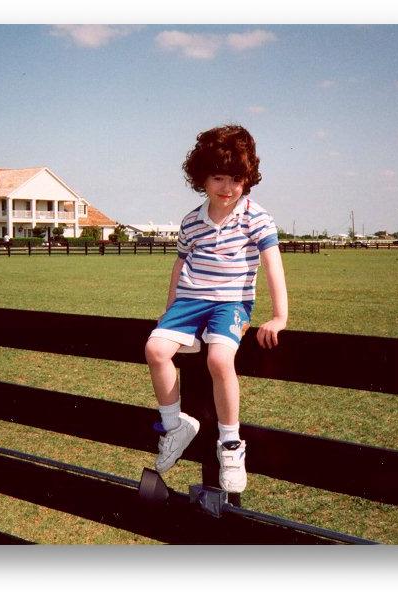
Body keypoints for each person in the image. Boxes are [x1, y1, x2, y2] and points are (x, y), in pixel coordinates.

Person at [144, 124, 289, 493]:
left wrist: (279, 316)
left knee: (219, 361)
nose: (227, 188)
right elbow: (180, 265)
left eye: (236, 179)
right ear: (201, 179)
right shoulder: (192, 221)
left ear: (248, 179)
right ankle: (175, 425)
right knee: (156, 349)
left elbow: (273, 263)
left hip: (231, 304)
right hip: (190, 301)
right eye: (218, 177)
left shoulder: (255, 216)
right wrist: (170, 311)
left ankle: (230, 445)